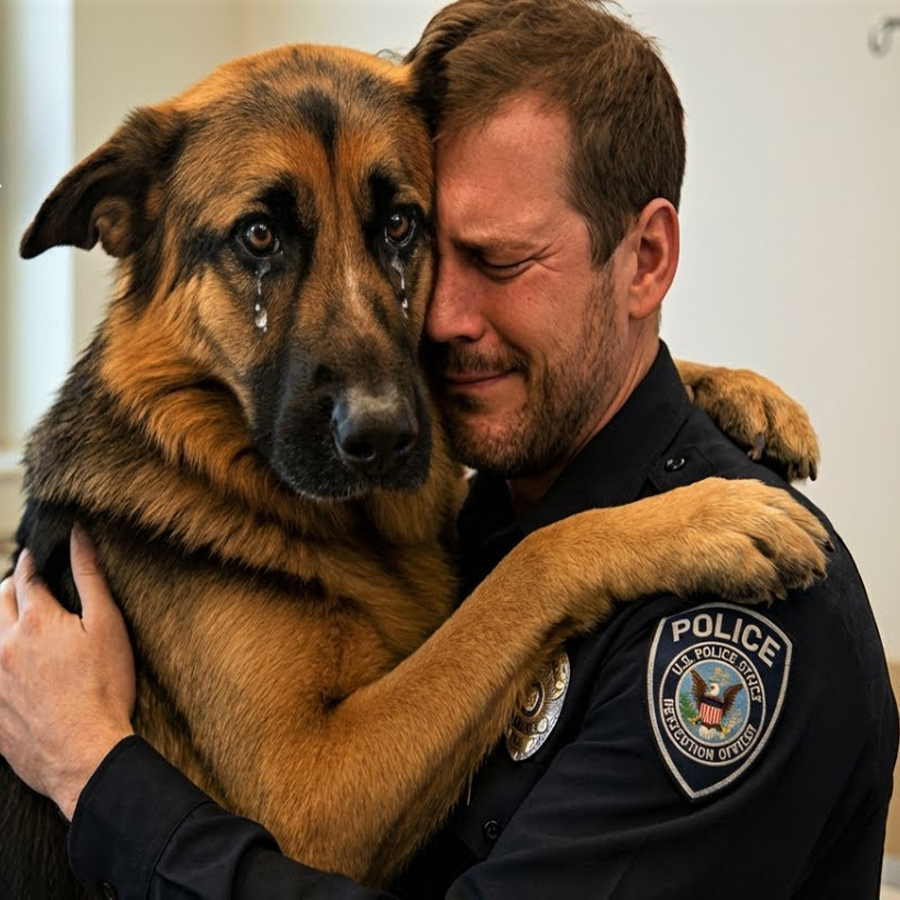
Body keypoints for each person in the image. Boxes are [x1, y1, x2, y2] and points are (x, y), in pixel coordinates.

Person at [0, 0, 896, 897]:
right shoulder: (490, 507)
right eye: (262, 242)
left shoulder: (732, 626)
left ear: (645, 260)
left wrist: (92, 769)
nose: (438, 321)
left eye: (404, 234)